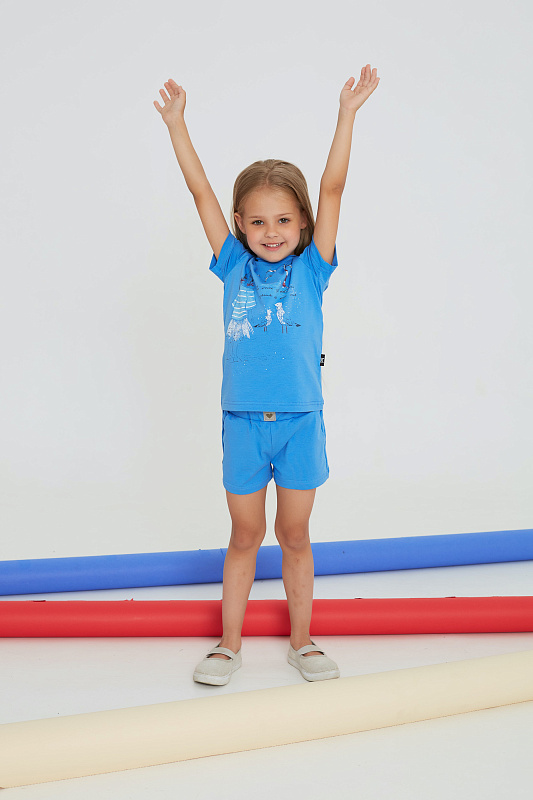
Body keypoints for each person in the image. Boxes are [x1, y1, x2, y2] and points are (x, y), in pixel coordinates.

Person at [153, 66, 380, 685]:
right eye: (257, 222)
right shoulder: (232, 266)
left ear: (302, 222)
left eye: (283, 221)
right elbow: (201, 194)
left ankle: (302, 640)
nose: (270, 233)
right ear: (240, 224)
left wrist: (346, 116)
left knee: (295, 534)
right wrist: (177, 126)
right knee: (245, 534)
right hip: (245, 423)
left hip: (301, 421)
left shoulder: (314, 270)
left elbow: (333, 188)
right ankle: (229, 645)